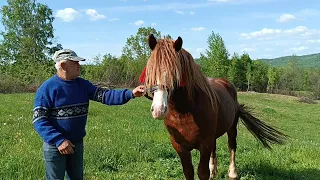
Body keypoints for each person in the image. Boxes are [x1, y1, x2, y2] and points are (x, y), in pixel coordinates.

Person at [32, 49, 145, 180]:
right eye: (75, 63)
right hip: (55, 147)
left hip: (76, 144)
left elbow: (106, 96)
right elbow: (39, 119)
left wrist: (130, 93)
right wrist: (59, 140)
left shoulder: (83, 85)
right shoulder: (47, 88)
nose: (79, 65)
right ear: (63, 66)